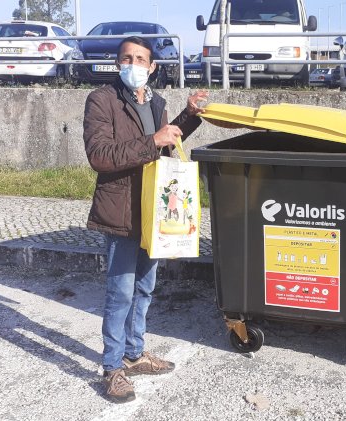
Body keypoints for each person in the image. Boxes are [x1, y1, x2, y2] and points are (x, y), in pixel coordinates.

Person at [83, 35, 208, 403]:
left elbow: (166, 143)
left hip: (153, 210)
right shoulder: (102, 100)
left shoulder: (157, 101)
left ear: (152, 67)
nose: (133, 65)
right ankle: (112, 367)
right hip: (120, 210)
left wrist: (188, 116)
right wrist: (152, 140)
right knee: (119, 292)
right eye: (127, 58)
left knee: (144, 287)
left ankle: (135, 354)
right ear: (117, 62)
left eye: (140, 59)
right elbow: (100, 155)